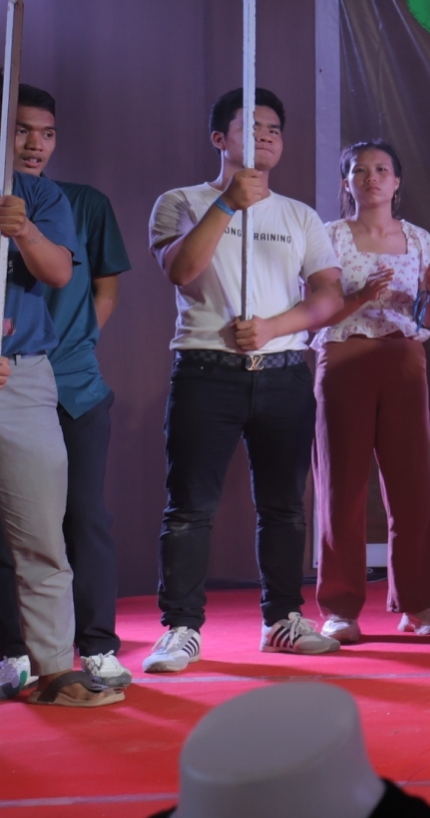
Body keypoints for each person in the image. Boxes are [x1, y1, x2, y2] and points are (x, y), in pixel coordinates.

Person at [144, 88, 345, 675]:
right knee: (190, 507)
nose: (265, 136)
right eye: (251, 127)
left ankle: (282, 619)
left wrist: (274, 328)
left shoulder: (300, 216)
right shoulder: (181, 202)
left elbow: (329, 296)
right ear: (219, 139)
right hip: (207, 370)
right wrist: (228, 203)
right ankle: (181, 629)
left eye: (274, 128)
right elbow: (182, 271)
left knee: (284, 507)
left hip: (282, 373)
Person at [8, 85, 134, 687]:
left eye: (48, 133)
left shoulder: (62, 199)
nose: (36, 144)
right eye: (22, 130)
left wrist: (78, 340)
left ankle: (95, 646)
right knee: (15, 528)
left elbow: (81, 278)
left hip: (67, 381)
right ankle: (13, 652)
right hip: (15, 372)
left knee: (79, 518)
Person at [312, 140, 430, 643]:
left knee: (412, 485)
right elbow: (316, 312)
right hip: (344, 357)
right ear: (346, 181)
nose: (371, 177)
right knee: (342, 487)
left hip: (403, 359)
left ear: (397, 181)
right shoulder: (328, 237)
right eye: (359, 170)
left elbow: (428, 319)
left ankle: (418, 602)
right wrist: (361, 297)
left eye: (381, 169)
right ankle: (340, 607)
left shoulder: (420, 239)